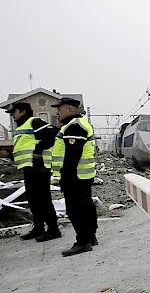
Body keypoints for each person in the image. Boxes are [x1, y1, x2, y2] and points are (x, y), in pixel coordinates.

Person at [2, 102, 60, 241]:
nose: (12, 115)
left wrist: (38, 150)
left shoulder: (34, 121)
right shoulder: (20, 128)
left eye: (14, 112)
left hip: (39, 167)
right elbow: (23, 150)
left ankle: (54, 230)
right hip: (29, 168)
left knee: (43, 199)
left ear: (22, 111)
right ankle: (38, 228)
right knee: (34, 200)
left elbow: (52, 134)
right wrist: (9, 155)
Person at [51, 97, 98, 256]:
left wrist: (64, 176)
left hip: (75, 176)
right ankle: (90, 237)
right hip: (82, 175)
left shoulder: (74, 127)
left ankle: (82, 242)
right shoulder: (78, 124)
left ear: (69, 109)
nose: (57, 113)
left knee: (75, 210)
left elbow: (72, 155)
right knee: (86, 206)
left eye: (59, 109)